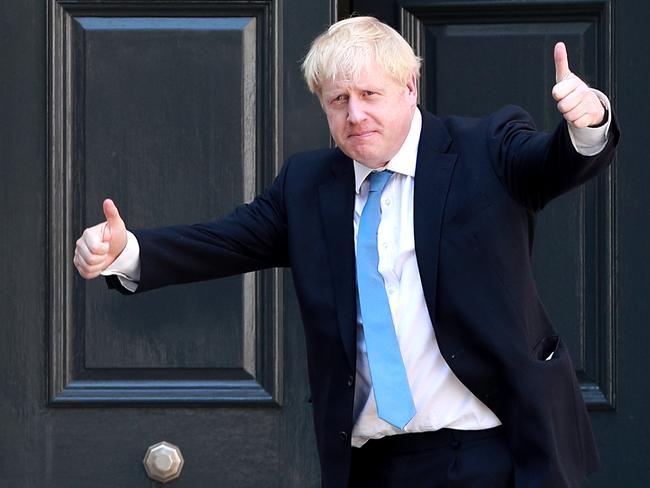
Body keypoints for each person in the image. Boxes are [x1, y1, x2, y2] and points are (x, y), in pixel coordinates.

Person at [74, 16, 619, 488]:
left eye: (370, 94)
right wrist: (127, 251)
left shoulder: (485, 148)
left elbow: (554, 164)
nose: (354, 114)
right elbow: (224, 241)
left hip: (492, 451)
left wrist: (588, 122)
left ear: (409, 87)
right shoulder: (309, 184)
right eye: (339, 100)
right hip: (375, 463)